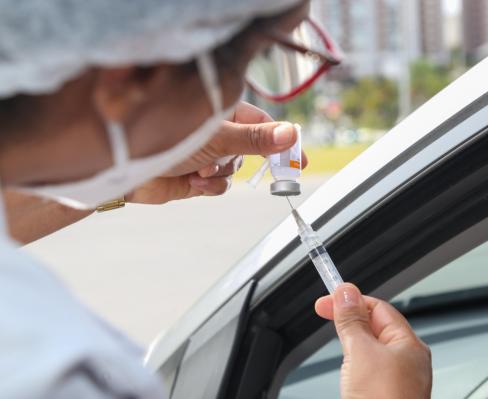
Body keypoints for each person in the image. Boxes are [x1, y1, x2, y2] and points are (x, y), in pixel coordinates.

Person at [0, 1, 432, 398]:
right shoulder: (58, 376)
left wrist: (125, 175)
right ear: (135, 74)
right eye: (254, 57)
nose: (236, 100)